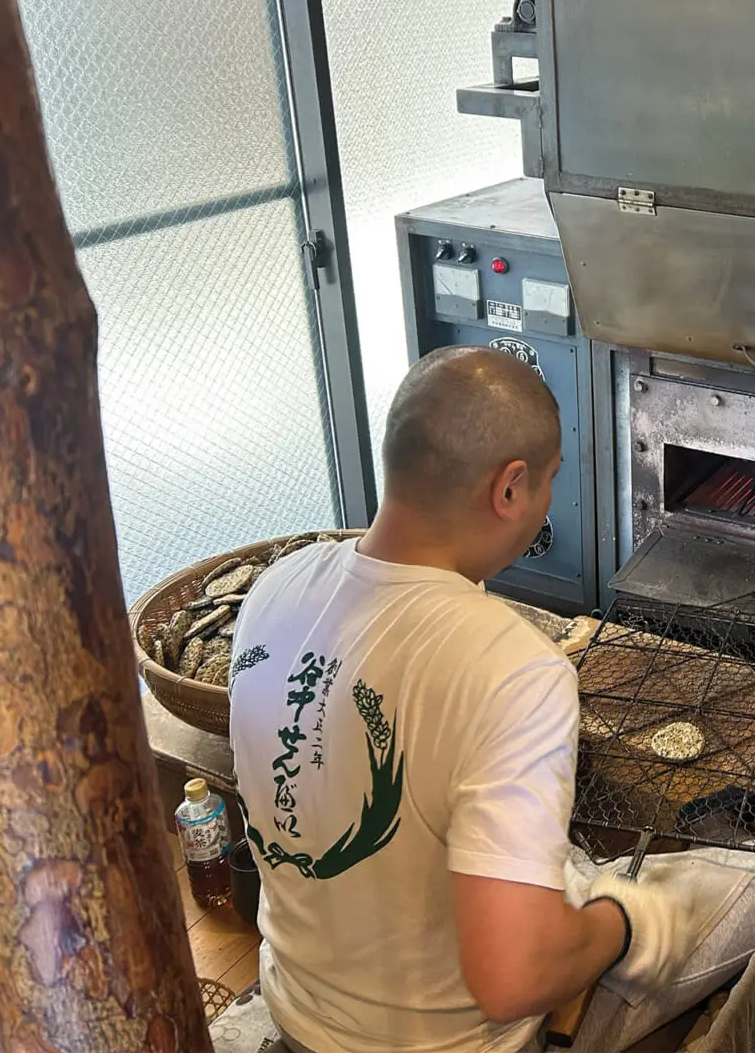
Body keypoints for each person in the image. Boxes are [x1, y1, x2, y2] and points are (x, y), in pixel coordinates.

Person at [229, 347, 692, 1053]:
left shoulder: (276, 588)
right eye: (549, 482)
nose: (546, 501)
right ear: (509, 489)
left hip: (294, 1015)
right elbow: (513, 978)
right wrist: (629, 922)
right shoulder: (514, 670)